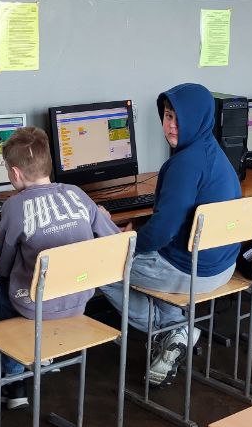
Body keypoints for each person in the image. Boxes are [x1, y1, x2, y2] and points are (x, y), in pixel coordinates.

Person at [99, 83, 240, 386]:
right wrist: (139, 236)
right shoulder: (213, 152)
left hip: (191, 272)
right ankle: (177, 330)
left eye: (179, 117)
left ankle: (173, 329)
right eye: (167, 116)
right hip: (223, 267)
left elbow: (162, 232)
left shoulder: (185, 163)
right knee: (148, 253)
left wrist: (128, 242)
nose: (171, 125)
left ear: (198, 118)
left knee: (99, 265)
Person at [0, 126, 120, 408]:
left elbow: (6, 264)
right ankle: (45, 353)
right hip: (79, 299)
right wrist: (101, 217)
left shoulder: (13, 207)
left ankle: (15, 381)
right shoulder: (77, 194)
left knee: (2, 287)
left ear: (15, 173)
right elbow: (113, 238)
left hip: (36, 306)